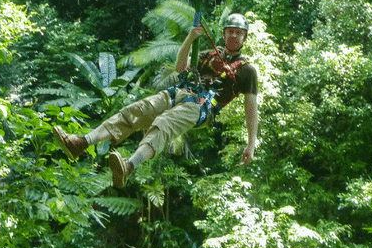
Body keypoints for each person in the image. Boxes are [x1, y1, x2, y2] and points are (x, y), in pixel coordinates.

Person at [53, 13, 259, 188]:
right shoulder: (207, 55)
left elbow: (251, 108)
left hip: (202, 107)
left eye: (239, 32)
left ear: (245, 38)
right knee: (136, 110)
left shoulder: (247, 71)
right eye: (230, 31)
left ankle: (130, 165)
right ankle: (82, 142)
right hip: (180, 92)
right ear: (224, 34)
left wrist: (251, 143)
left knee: (163, 124)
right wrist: (189, 39)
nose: (234, 35)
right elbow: (180, 68)